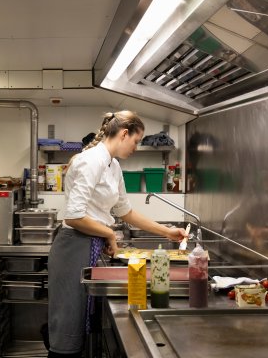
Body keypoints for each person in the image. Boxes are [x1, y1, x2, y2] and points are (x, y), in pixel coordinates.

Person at [47, 111, 188, 358]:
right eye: (135, 141)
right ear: (124, 134)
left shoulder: (113, 165)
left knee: (83, 332)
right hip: (73, 250)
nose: (135, 147)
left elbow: (126, 212)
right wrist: (110, 235)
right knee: (67, 334)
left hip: (90, 248)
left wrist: (168, 232)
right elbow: (74, 216)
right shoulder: (91, 161)